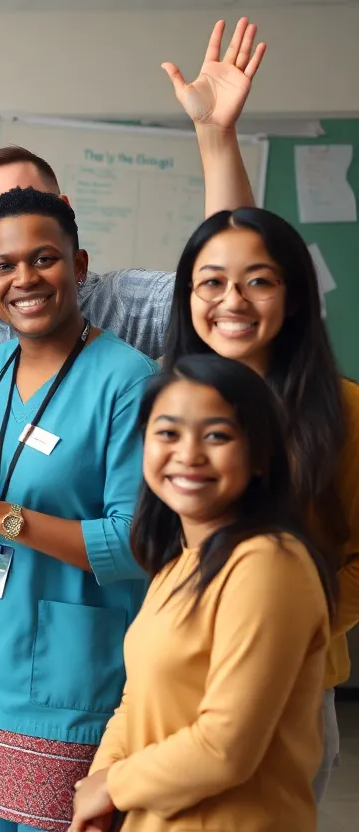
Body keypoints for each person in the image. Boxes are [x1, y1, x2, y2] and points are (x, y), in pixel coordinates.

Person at [0, 187, 156, 831]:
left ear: (78, 266)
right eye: (3, 266)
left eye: (43, 259)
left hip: (71, 682)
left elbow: (136, 544)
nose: (24, 279)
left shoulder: (129, 380)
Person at [70, 354, 334, 831]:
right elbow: (136, 700)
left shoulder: (268, 565)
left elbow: (224, 748)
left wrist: (111, 786)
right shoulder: (178, 561)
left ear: (260, 455)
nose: (188, 454)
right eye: (168, 433)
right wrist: (99, 794)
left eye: (217, 436)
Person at [160, 207, 359, 808]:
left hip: (289, 683)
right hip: (167, 677)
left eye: (259, 281)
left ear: (293, 296)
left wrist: (282, 626)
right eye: (212, 282)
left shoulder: (344, 411)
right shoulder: (165, 402)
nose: (233, 301)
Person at [0, 18, 266, 376]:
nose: (12, 224)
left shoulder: (123, 300)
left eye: (28, 203)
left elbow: (221, 289)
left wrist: (215, 136)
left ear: (64, 212)